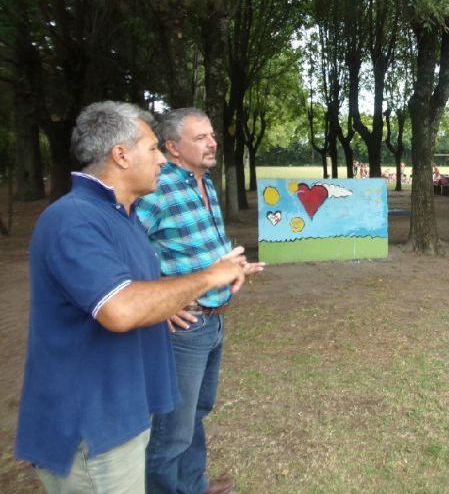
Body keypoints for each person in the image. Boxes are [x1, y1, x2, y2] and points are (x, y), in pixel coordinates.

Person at [15, 102, 245, 494]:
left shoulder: (117, 217)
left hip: (124, 411)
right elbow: (120, 309)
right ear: (121, 154)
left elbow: (145, 282)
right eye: (154, 148)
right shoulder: (73, 219)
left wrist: (172, 296)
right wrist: (207, 278)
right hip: (92, 428)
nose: (161, 159)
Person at [136, 108, 264, 494]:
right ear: (172, 147)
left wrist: (233, 268)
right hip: (184, 326)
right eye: (201, 138)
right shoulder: (157, 188)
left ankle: (192, 485)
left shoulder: (205, 184)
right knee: (170, 430)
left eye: (211, 135)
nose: (212, 143)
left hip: (214, 320)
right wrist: (162, 299)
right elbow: (124, 247)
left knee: (196, 412)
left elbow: (202, 245)